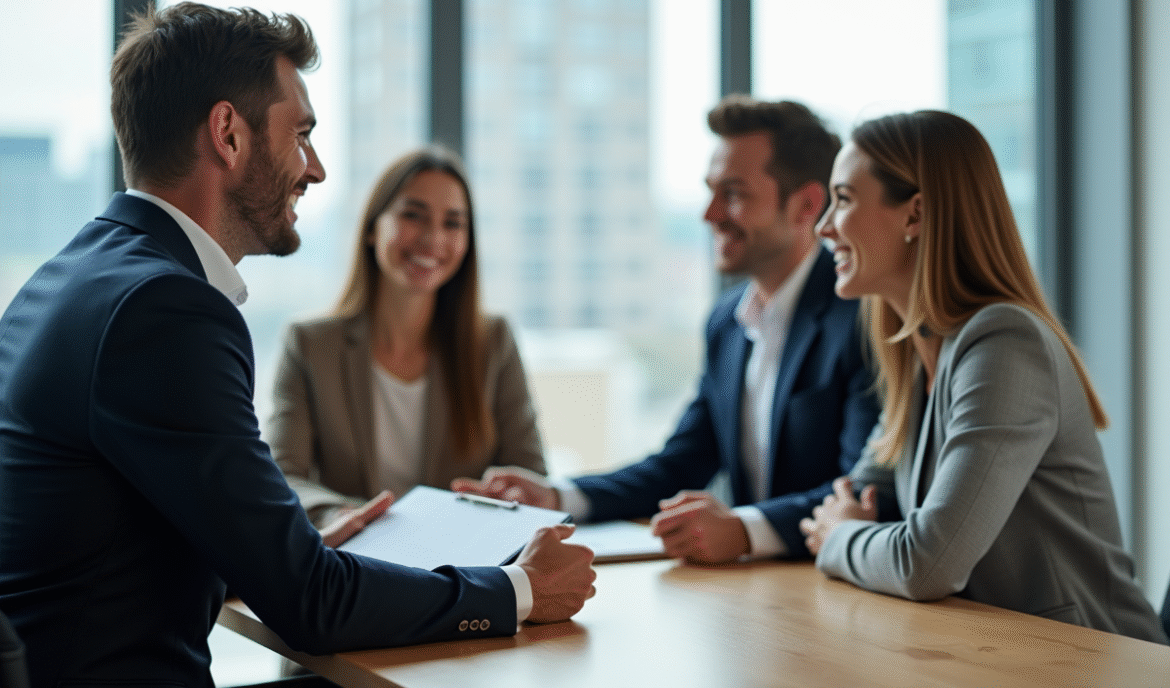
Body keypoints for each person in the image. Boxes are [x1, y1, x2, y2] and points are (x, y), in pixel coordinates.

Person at [0, 2, 595, 687]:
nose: (313, 168)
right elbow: (312, 603)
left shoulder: (70, 275)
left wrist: (290, 544)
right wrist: (518, 590)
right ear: (228, 134)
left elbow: (119, 543)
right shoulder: (168, 311)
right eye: (302, 134)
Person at [455, 95, 881, 564]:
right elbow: (682, 463)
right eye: (711, 190)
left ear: (806, 206)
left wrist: (742, 531)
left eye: (734, 194)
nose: (709, 214)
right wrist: (557, 499)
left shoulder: (862, 319)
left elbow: (859, 491)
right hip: (757, 590)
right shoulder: (727, 321)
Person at [801, 109, 1166, 643]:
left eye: (845, 199)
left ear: (917, 214)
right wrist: (851, 524)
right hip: (994, 654)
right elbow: (852, 492)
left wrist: (843, 535)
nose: (823, 226)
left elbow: (927, 563)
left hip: (1093, 662)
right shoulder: (918, 354)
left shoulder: (1003, 344)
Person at [267, 147, 547, 547]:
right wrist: (343, 515)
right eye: (413, 215)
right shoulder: (311, 345)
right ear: (372, 228)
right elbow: (281, 477)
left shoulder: (492, 342)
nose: (433, 238)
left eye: (453, 223)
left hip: (464, 565)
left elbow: (530, 473)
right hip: (355, 564)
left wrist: (507, 499)